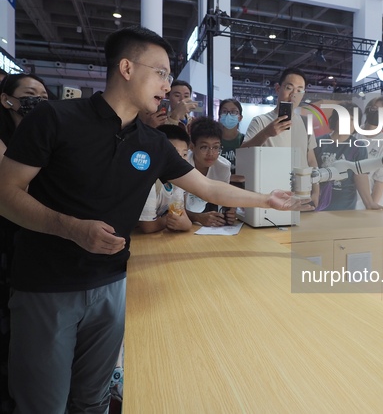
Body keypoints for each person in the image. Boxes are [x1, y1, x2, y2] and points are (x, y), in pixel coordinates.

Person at [0, 25, 310, 414]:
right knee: (42, 403)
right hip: (47, 286)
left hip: (112, 284)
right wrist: (71, 228)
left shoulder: (152, 144)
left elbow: (209, 190)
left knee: (94, 399)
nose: (168, 84)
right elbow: (6, 194)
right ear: (126, 67)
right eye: (161, 72)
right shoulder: (55, 119)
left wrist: (267, 198)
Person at [0, 73, 48, 414]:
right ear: (7, 100)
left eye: (44, 95)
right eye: (30, 94)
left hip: (31, 239)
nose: (38, 100)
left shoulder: (45, 137)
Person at [242, 67, 319, 205]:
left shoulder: (306, 122)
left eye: (299, 90)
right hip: (272, 194)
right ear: (278, 88)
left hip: (302, 194)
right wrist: (266, 133)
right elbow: (243, 152)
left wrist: (316, 191)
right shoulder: (260, 121)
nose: (293, 94)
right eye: (289, 88)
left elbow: (311, 160)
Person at [314, 102, 382, 211]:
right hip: (318, 203)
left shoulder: (358, 146)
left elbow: (360, 176)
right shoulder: (317, 142)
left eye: (352, 120)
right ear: (335, 119)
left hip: (345, 205)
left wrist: (369, 203)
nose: (349, 123)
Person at [137, 124, 193, 233]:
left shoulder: (178, 180)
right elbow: (147, 226)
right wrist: (171, 221)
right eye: (175, 154)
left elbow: (179, 214)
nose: (181, 160)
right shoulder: (149, 180)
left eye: (185, 154)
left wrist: (187, 224)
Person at [185, 117, 236, 227]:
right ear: (192, 147)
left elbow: (224, 198)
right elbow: (172, 207)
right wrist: (197, 217)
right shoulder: (182, 164)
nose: (211, 153)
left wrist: (230, 211)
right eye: (204, 147)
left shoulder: (223, 167)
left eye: (216, 147)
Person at [356, 95, 383, 207]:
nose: (375, 112)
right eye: (373, 108)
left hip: (369, 199)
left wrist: (371, 205)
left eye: (381, 110)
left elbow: (381, 180)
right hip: (347, 196)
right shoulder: (355, 133)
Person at [218, 98, 245, 186]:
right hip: (216, 187)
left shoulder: (245, 140)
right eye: (225, 111)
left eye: (233, 112)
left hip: (240, 189)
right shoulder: (213, 139)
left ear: (240, 117)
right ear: (220, 116)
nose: (229, 115)